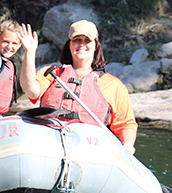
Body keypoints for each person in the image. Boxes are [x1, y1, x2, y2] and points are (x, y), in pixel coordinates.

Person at [21, 20, 138, 153]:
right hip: (51, 144)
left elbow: (126, 124)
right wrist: (29, 52)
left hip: (90, 150)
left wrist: (128, 144)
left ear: (96, 46)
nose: (81, 44)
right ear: (69, 45)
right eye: (77, 40)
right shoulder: (51, 73)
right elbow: (30, 90)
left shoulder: (113, 85)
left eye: (87, 40)